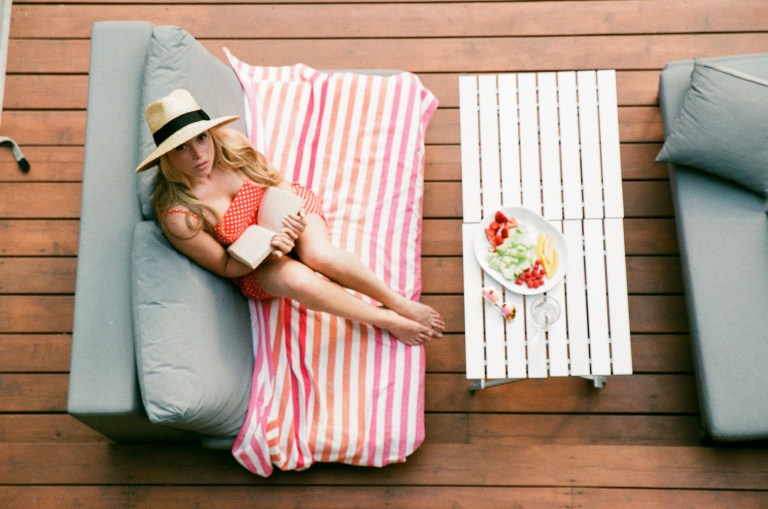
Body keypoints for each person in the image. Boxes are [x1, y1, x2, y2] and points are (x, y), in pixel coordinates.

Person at [135, 89, 444, 345]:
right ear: (166, 157)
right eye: (182, 148)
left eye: (201, 138)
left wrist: (291, 217)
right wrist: (268, 245)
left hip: (287, 212)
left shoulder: (229, 143)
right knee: (297, 278)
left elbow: (277, 181)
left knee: (320, 255)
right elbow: (226, 267)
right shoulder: (179, 214)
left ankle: (398, 302)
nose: (199, 155)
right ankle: (386, 319)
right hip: (255, 263)